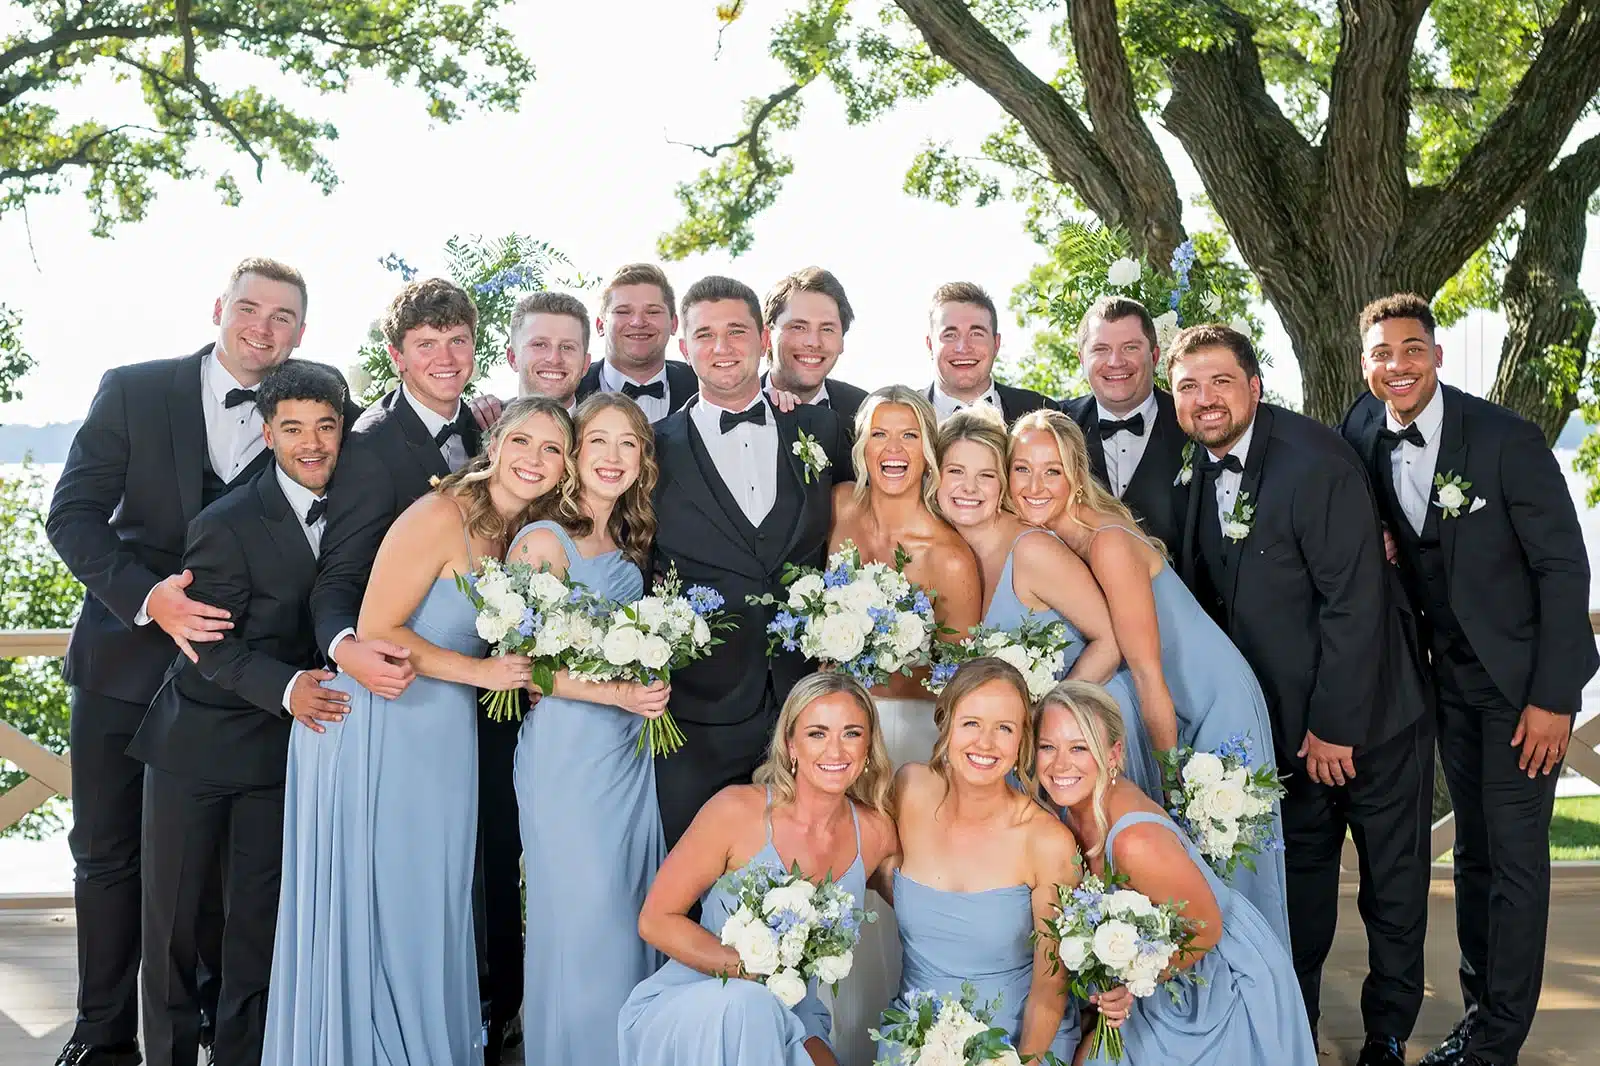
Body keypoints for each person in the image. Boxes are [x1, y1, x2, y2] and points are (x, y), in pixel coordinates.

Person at [45, 257, 357, 1066]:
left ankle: (225, 1035)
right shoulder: (134, 390)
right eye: (249, 308)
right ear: (220, 308)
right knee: (108, 855)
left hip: (239, 690)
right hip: (125, 666)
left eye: (282, 316)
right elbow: (72, 515)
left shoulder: (314, 417)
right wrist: (150, 598)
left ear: (301, 332)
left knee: (227, 880)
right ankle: (102, 1034)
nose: (262, 327)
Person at [263, 398, 569, 1066]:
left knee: (430, 904)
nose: (534, 459)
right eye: (522, 440)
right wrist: (480, 672)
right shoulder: (439, 515)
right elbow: (377, 628)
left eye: (552, 449)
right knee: (382, 906)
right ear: (495, 443)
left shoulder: (522, 535)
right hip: (379, 721)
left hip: (442, 730)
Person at [1341, 294, 1598, 1066]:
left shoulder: (1505, 439)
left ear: (1437, 356)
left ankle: (1494, 1044)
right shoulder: (1360, 428)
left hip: (1520, 688)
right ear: (1364, 364)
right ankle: (1479, 1018)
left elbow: (1563, 568)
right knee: (1475, 856)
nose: (1397, 366)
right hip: (1441, 681)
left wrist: (1554, 699)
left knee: (1514, 860)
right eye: (1382, 353)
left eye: (1412, 350)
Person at [1168, 324, 1432, 1066]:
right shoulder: (1196, 469)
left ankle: (1386, 1037)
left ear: (1255, 387)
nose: (1205, 398)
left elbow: (1354, 603)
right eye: (1188, 386)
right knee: (1299, 892)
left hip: (1372, 722)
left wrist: (1335, 727)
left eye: (1221, 381)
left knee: (1392, 893)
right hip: (1284, 734)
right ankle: (1297, 1032)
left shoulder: (1315, 463)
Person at [309, 277, 524, 1058]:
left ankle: (482, 1020)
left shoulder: (494, 430)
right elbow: (336, 578)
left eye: (457, 341)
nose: (445, 357)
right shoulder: (369, 448)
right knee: (405, 884)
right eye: (426, 344)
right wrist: (347, 648)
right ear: (396, 356)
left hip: (480, 701)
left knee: (473, 869)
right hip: (400, 694)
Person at [128, 362, 351, 1066]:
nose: (311, 443)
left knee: (256, 929)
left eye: (325, 427)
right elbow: (209, 644)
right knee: (173, 928)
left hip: (277, 757)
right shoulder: (225, 523)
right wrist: (289, 689)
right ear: (268, 433)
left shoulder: (360, 510)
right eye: (293, 428)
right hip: (195, 747)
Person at [1008, 407, 1288, 945]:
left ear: (1075, 475)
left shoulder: (1107, 542)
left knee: (1224, 863)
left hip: (1209, 704)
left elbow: (1149, 675)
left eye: (1052, 470)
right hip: (1166, 704)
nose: (1035, 486)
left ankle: (1249, 983)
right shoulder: (1054, 542)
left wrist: (1169, 783)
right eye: (1022, 469)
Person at [648, 275, 853, 849]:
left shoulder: (820, 428)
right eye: (704, 334)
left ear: (764, 340)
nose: (722, 347)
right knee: (691, 877)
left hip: (805, 709)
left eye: (737, 331)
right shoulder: (651, 448)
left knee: (806, 875)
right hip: (693, 717)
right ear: (683, 346)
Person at [618, 672, 899, 1066]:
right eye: (817, 733)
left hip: (795, 1014)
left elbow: (927, 906)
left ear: (869, 746)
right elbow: (655, 920)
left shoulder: (874, 832)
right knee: (749, 1004)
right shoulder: (736, 811)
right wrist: (752, 970)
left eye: (851, 733)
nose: (835, 750)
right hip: (701, 1002)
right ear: (791, 745)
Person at [1036, 681, 1317, 1066]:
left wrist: (1132, 984)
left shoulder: (1135, 842)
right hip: (1158, 962)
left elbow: (1206, 928)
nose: (1060, 765)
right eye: (1047, 747)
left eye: (1079, 748)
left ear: (1114, 754)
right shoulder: (1071, 806)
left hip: (1213, 980)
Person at [823, 385, 982, 1064]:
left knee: (892, 878)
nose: (894, 450)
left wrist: (884, 660)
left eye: (910, 435)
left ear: (929, 450)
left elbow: (961, 683)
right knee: (832, 869)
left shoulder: (948, 554)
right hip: (831, 729)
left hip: (909, 735)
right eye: (880, 435)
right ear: (861, 445)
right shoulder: (837, 508)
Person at [507, 393, 667, 1066]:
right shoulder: (544, 541)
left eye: (628, 443)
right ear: (574, 454)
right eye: (598, 440)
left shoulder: (626, 544)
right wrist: (621, 692)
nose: (612, 456)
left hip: (627, 754)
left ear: (642, 460)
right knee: (582, 917)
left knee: (627, 911)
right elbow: (521, 666)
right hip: (568, 756)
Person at [934, 407, 1160, 797]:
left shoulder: (1033, 550)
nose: (969, 488)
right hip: (1020, 743)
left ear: (1003, 484)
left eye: (986, 475)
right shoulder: (951, 554)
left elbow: (1111, 641)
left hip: (1084, 728)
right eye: (956, 471)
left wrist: (1045, 721)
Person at [876, 658, 1080, 1063]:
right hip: (914, 1039)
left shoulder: (1047, 841)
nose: (985, 743)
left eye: (1004, 728)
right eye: (971, 723)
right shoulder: (910, 789)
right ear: (946, 724)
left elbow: (1049, 991)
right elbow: (869, 867)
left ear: (1022, 741)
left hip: (1017, 1044)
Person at [1056, 296, 1187, 553]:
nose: (1115, 361)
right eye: (1101, 349)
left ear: (1155, 356)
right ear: (1082, 359)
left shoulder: (1192, 423)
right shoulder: (1057, 423)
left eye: (1130, 347)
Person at [577, 263, 697, 419]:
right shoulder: (572, 387)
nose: (638, 322)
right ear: (601, 325)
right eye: (623, 311)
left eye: (652, 312)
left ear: (673, 324)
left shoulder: (700, 383)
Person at [922, 281, 1052, 425]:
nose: (963, 348)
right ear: (930, 345)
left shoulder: (1042, 411)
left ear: (996, 344)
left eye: (976, 334)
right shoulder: (904, 412)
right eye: (950, 335)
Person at [760, 266, 869, 425]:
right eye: (798, 327)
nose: (814, 342)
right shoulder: (730, 408)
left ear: (842, 342)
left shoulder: (865, 411)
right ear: (766, 337)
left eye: (827, 329)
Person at [507, 290, 591, 414]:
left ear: (585, 364)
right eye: (539, 345)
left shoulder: (610, 425)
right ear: (513, 358)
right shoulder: (482, 422)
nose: (554, 359)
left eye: (567, 347)